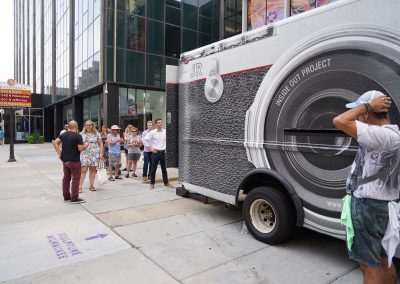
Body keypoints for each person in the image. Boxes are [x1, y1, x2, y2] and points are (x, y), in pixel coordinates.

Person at [333, 90, 400, 284]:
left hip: (368, 208)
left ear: (366, 114)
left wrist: (367, 106)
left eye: (360, 113)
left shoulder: (379, 136)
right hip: (386, 207)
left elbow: (339, 121)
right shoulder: (393, 134)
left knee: (369, 266)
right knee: (384, 260)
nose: (359, 118)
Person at [53, 120, 89, 203]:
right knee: (76, 179)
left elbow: (55, 143)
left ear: (69, 127)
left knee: (66, 178)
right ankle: (74, 197)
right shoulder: (78, 136)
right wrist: (86, 145)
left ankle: (66, 196)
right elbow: (80, 148)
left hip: (65, 160)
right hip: (74, 160)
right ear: (76, 127)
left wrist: (60, 154)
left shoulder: (63, 134)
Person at [142, 118, 173, 189]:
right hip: (155, 153)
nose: (160, 124)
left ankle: (166, 182)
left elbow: (169, 139)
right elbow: (144, 139)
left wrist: (166, 147)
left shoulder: (165, 131)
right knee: (153, 169)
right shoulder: (152, 132)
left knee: (164, 169)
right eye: (159, 122)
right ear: (156, 124)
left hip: (163, 153)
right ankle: (152, 184)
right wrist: (149, 148)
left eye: (161, 122)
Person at [78, 120, 103, 192]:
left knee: (93, 170)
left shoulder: (97, 134)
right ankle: (80, 186)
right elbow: (78, 145)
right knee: (83, 170)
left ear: (92, 126)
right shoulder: (81, 134)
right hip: (85, 153)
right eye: (86, 125)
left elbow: (101, 144)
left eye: (89, 125)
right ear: (84, 126)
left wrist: (101, 154)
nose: (88, 126)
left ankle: (91, 185)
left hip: (95, 154)